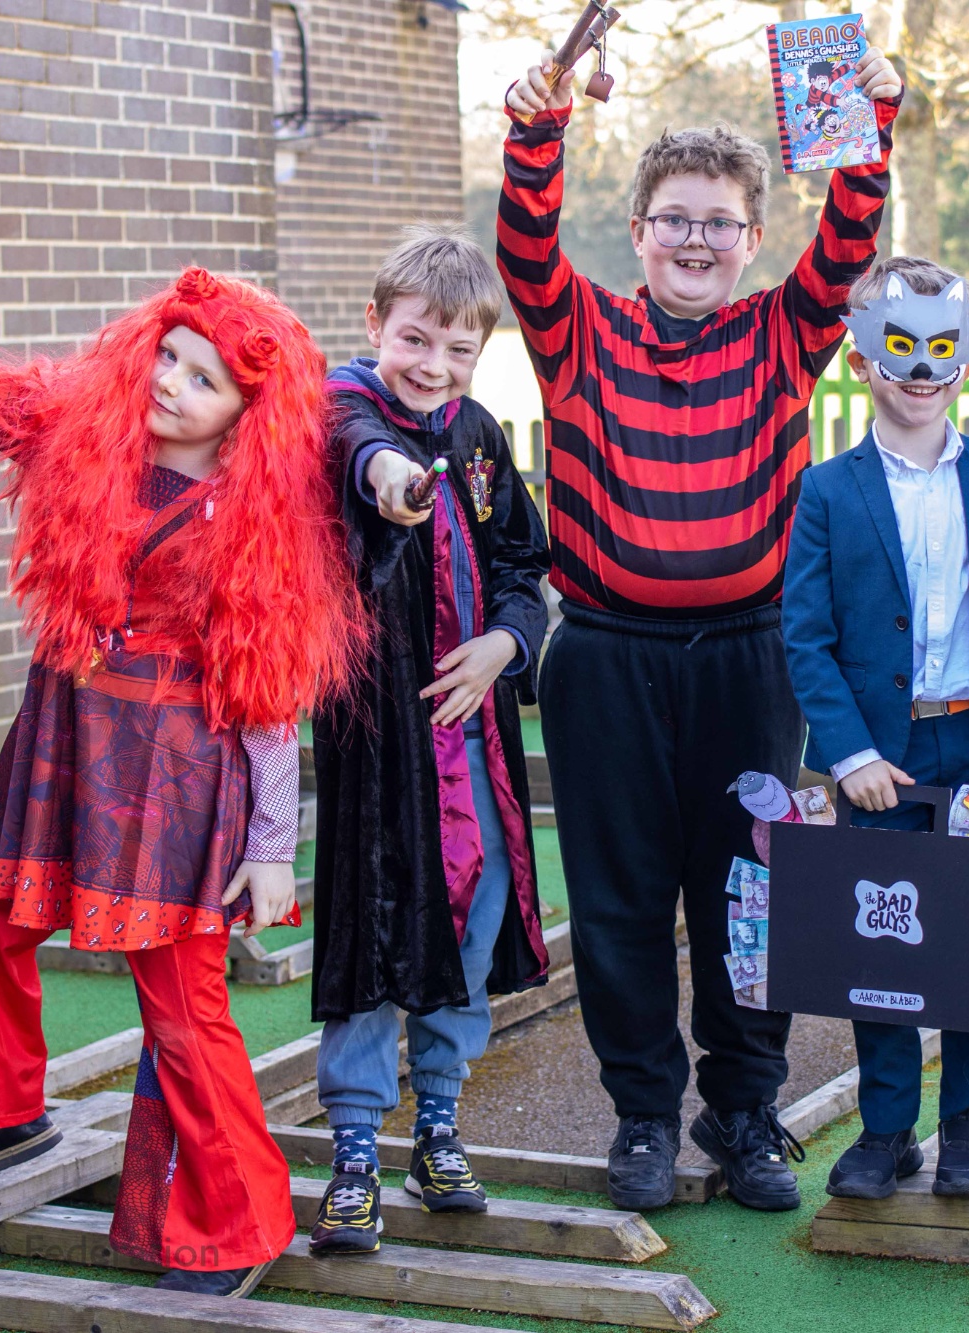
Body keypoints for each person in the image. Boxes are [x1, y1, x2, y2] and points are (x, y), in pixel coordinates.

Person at [0, 266, 366, 1297]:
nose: (171, 382)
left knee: (181, 1001)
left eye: (204, 379)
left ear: (244, 420)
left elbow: (264, 700)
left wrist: (269, 850)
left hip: (170, 773)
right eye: (168, 356)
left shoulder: (251, 527)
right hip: (64, 736)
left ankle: (239, 1221)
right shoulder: (88, 436)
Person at [498, 51, 902, 1211]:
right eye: (672, 219)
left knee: (747, 896)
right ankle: (641, 1119)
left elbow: (850, 246)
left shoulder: (786, 333)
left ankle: (742, 1112)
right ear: (633, 230)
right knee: (621, 900)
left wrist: (867, 114)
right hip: (606, 658)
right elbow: (525, 249)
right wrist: (539, 129)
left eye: (718, 224)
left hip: (749, 656)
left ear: (750, 238)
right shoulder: (575, 335)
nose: (693, 240)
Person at [781, 257, 969, 1202]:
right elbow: (807, 637)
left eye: (940, 352)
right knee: (883, 942)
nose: (920, 372)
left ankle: (967, 1125)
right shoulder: (827, 489)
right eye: (900, 351)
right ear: (865, 360)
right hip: (880, 763)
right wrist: (851, 751)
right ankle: (888, 1128)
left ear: (967, 362)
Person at [305, 228, 551, 1249]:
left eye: (457, 350)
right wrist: (396, 485)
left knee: (474, 920)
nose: (434, 367)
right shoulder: (340, 411)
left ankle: (439, 1126)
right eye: (416, 340)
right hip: (377, 747)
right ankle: (357, 1145)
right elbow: (362, 456)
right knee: (373, 924)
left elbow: (521, 566)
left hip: (477, 744)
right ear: (375, 325)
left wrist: (504, 642)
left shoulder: (481, 433)